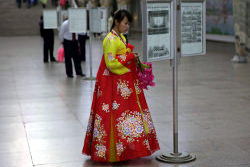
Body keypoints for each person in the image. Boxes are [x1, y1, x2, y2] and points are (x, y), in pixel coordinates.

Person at [82, 10, 160, 162]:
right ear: (116, 22)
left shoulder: (120, 37)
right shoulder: (110, 40)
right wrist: (130, 57)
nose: (127, 26)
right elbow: (111, 63)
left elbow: (118, 57)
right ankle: (112, 152)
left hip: (120, 83)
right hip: (112, 84)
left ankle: (123, 150)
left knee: (124, 116)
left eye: (128, 24)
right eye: (125, 23)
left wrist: (132, 59)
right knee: (113, 115)